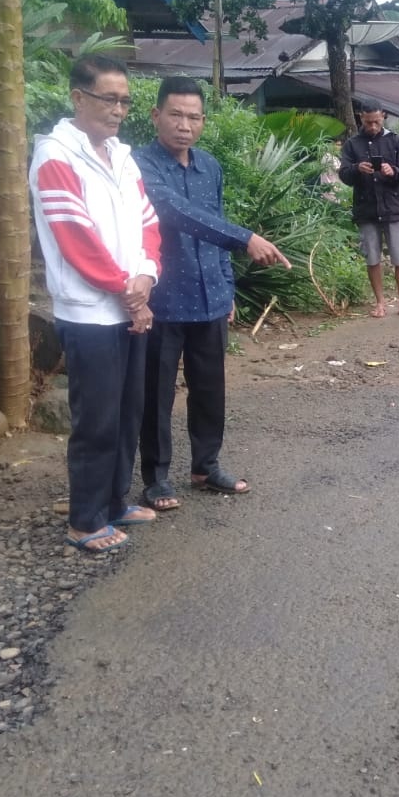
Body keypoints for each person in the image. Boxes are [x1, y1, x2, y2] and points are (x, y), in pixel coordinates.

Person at [134, 76, 291, 510]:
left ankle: (205, 466)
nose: (184, 125)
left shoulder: (210, 167)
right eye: (175, 115)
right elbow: (173, 213)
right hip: (162, 297)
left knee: (209, 388)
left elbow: (212, 224)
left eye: (194, 117)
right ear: (156, 116)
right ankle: (157, 476)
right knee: (157, 392)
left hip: (209, 297)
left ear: (203, 122)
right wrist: (245, 239)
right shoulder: (139, 166)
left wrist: (226, 287)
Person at [29, 53, 162, 554]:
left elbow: (149, 223)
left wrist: (146, 275)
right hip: (89, 312)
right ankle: (84, 519)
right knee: (97, 418)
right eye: (109, 98)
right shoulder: (55, 156)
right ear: (78, 97)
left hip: (130, 303)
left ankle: (114, 501)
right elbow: (73, 236)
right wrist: (127, 291)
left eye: (126, 100)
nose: (119, 109)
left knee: (129, 411)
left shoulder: (123, 158)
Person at [339, 103, 399, 318]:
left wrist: (391, 170)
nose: (373, 126)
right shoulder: (352, 144)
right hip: (366, 209)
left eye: (377, 121)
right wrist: (357, 169)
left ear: (383, 117)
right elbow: (344, 175)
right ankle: (380, 303)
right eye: (368, 122)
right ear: (361, 118)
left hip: (393, 208)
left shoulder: (395, 141)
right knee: (372, 258)